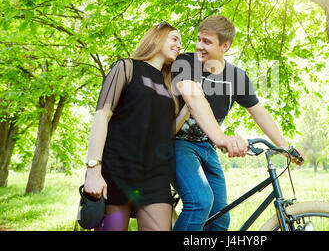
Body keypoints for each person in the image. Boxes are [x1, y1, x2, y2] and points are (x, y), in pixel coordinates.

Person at [171, 15, 305, 231]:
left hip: (208, 148)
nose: (199, 46)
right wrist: (223, 139)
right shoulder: (185, 62)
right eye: (198, 39)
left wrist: (286, 147)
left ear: (225, 45)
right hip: (179, 144)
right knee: (200, 203)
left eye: (206, 42)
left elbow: (259, 113)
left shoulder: (236, 76)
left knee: (220, 218)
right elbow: (193, 98)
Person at [83, 21, 182, 231]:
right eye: (174, 38)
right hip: (117, 171)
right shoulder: (126, 67)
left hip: (155, 175)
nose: (179, 45)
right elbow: (102, 115)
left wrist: (190, 106)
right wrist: (93, 169)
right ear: (157, 37)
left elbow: (168, 131)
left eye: (180, 42)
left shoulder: (169, 86)